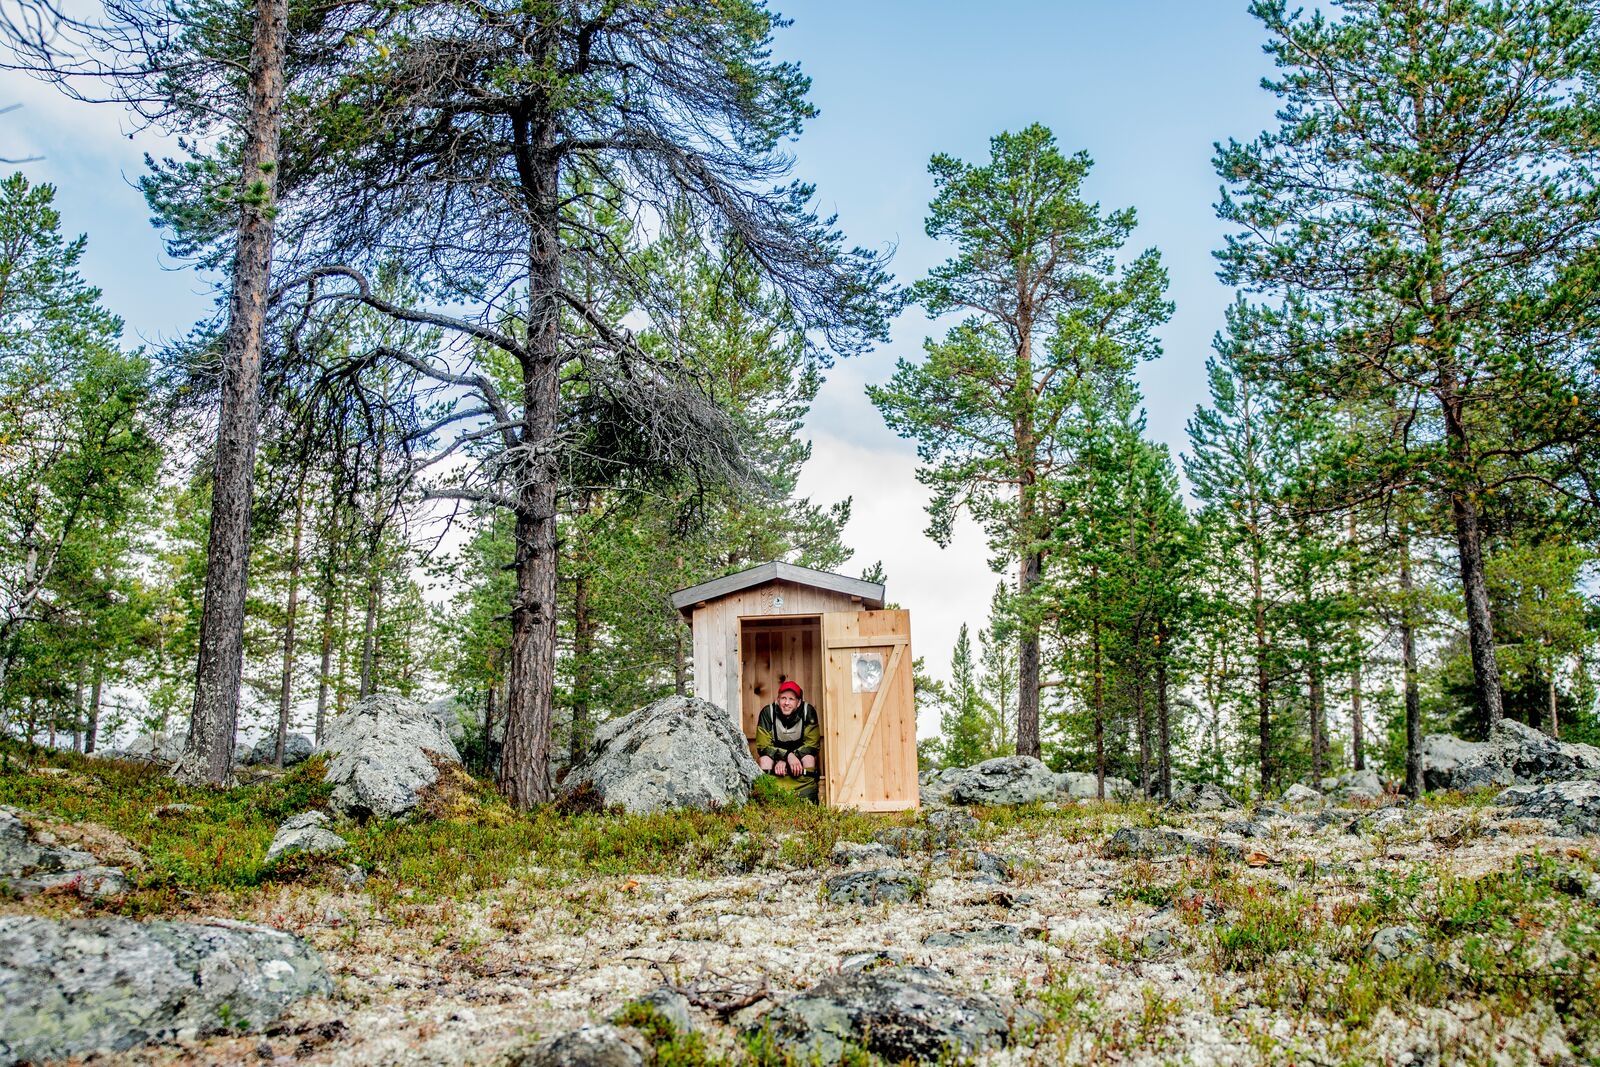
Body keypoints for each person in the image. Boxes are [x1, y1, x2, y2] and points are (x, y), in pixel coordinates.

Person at [755, 680, 820, 801]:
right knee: (764, 760)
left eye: (791, 699)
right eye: (783, 698)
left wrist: (791, 757)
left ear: (798, 702)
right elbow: (763, 746)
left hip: (800, 759)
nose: (786, 703)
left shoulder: (808, 711)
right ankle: (768, 799)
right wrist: (786, 756)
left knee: (809, 759)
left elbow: (812, 745)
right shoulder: (768, 712)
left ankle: (807, 800)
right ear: (777, 700)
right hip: (776, 759)